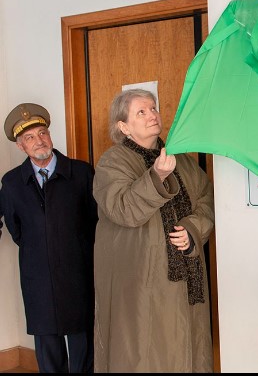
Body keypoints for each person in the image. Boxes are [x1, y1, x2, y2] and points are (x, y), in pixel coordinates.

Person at [92, 88, 215, 372]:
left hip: (186, 280)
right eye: (141, 112)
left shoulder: (180, 158)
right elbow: (123, 209)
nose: (152, 116)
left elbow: (206, 199)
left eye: (153, 108)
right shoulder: (112, 162)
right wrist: (157, 176)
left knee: (188, 345)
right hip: (141, 280)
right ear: (123, 126)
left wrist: (193, 229)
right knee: (143, 352)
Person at [0, 102, 98, 373]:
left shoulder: (81, 173)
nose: (38, 141)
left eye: (42, 133)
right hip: (37, 278)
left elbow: (95, 222)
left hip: (78, 273)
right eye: (29, 138)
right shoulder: (11, 183)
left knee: (83, 345)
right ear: (20, 146)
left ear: (50, 135)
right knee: (48, 350)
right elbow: (15, 228)